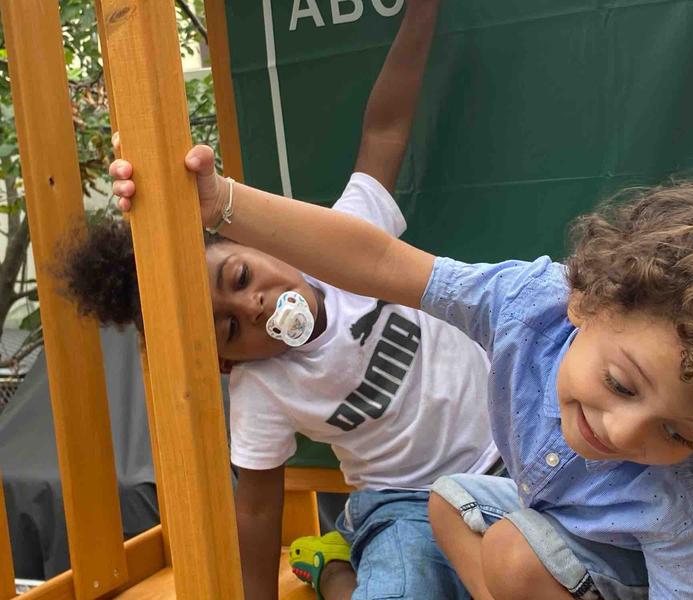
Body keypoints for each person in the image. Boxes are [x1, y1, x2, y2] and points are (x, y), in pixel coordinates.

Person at [110, 112, 693, 597]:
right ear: (587, 301)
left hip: (685, 573)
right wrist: (220, 202)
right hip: (553, 522)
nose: (623, 432)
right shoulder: (528, 304)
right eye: (620, 384)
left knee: (516, 557)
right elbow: (381, 260)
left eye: (678, 433)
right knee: (451, 504)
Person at [62, 2, 503, 600]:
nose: (253, 308)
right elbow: (256, 508)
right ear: (229, 364)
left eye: (241, 277)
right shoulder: (262, 390)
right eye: (230, 330)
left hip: (510, 451)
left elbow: (385, 131)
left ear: (258, 239)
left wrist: (421, 15)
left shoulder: (342, 242)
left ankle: (331, 563)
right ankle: (334, 569)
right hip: (405, 504)